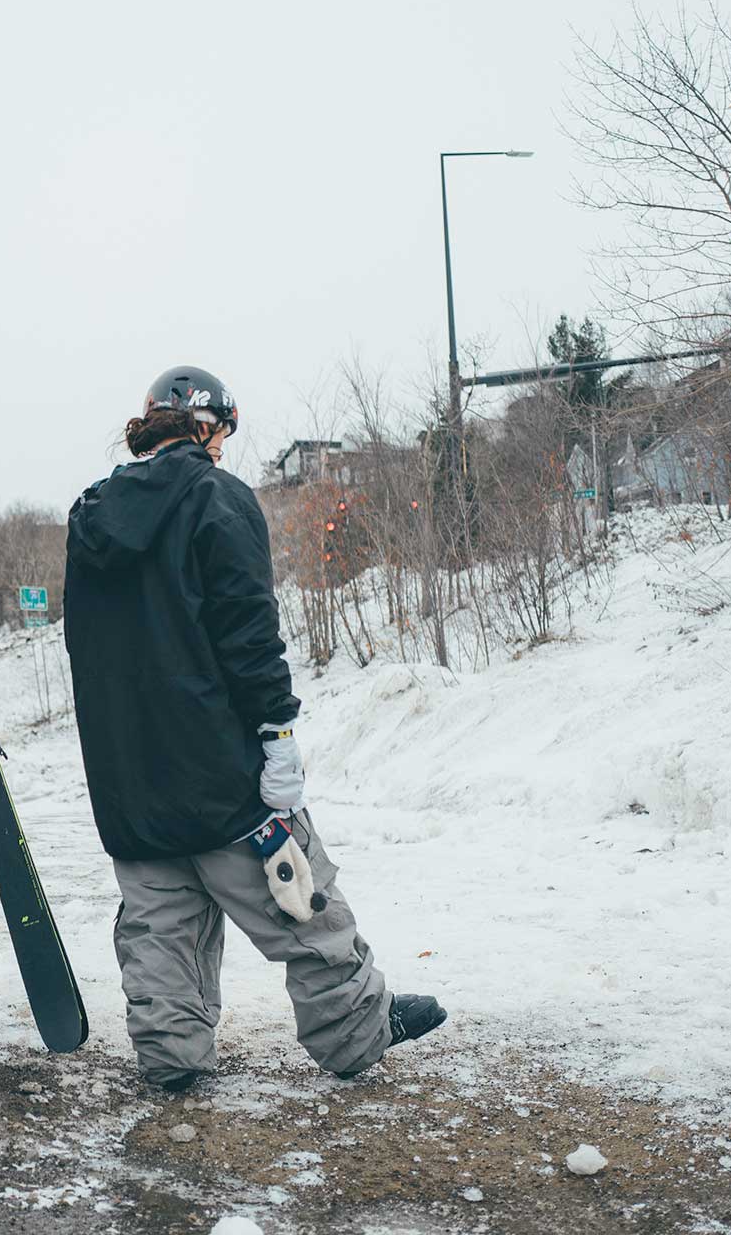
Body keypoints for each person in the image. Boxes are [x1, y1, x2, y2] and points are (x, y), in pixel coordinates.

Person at [63, 365, 445, 1091]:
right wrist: (275, 732)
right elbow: (248, 633)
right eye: (224, 433)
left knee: (160, 924)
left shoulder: (91, 516)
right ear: (207, 427)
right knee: (299, 898)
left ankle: (172, 1060)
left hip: (129, 777)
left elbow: (86, 645)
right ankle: (359, 1030)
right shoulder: (217, 498)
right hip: (218, 770)